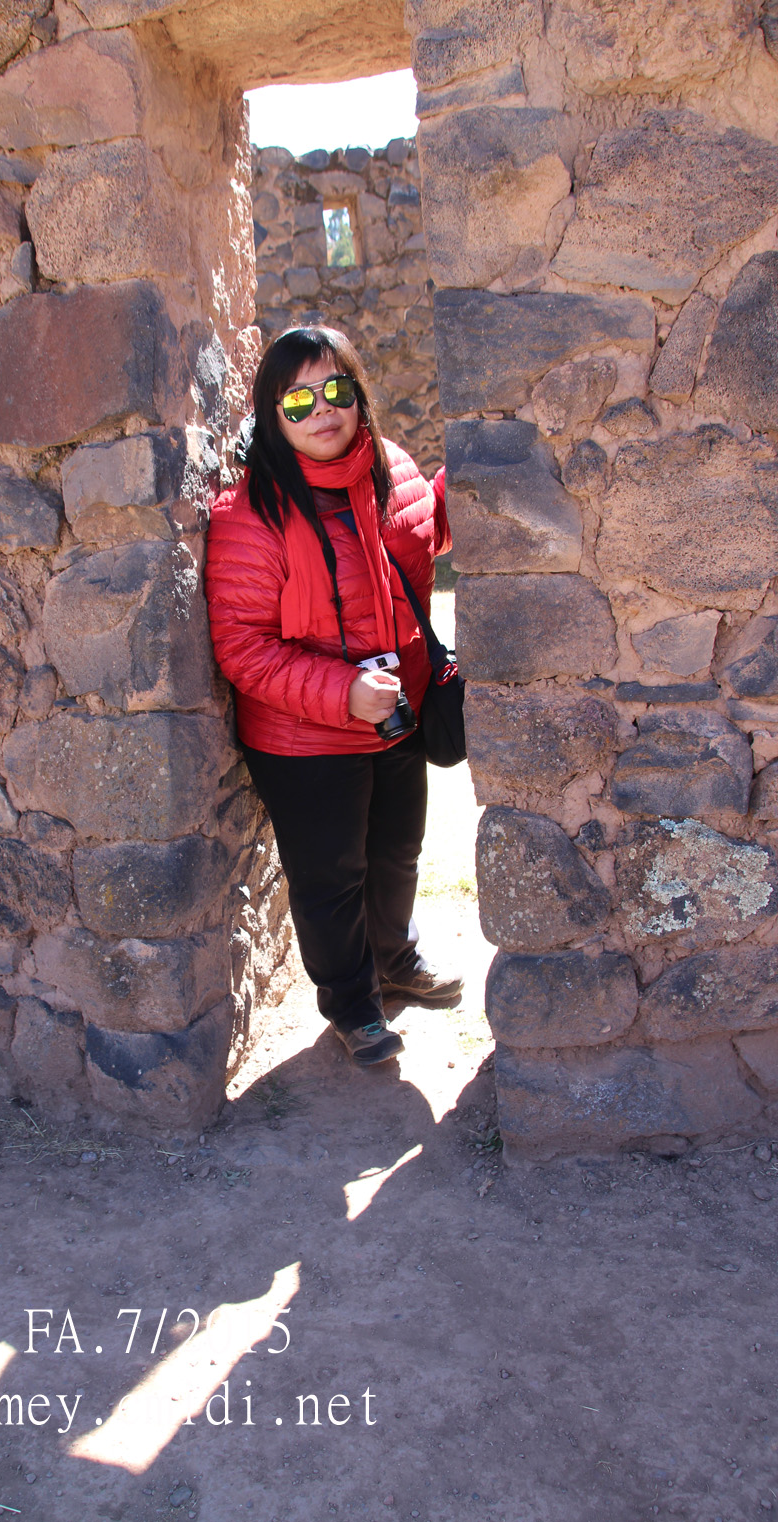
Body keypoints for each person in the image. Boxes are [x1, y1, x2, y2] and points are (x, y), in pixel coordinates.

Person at [204, 325, 460, 1067]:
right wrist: (343, 692)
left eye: (335, 389)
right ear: (272, 412)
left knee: (397, 853)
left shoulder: (392, 471)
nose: (322, 410)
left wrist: (470, 478)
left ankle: (395, 964)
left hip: (396, 716)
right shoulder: (251, 512)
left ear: (357, 394)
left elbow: (425, 536)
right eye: (299, 399)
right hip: (305, 736)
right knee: (330, 878)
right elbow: (243, 647)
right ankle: (352, 1006)